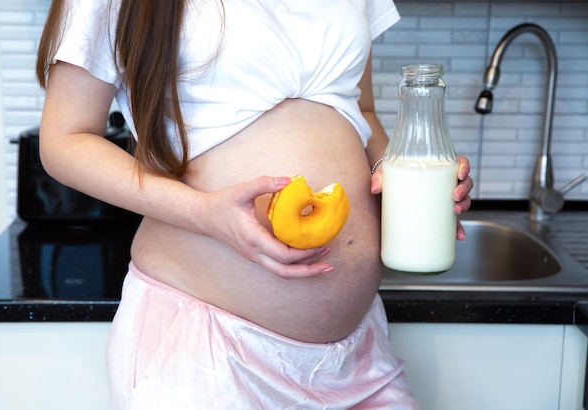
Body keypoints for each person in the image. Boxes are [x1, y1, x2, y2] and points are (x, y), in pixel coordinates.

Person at [36, 0, 473, 408]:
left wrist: (397, 174)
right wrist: (204, 213)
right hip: (205, 349)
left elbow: (362, 110)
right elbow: (65, 140)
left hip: (357, 356)